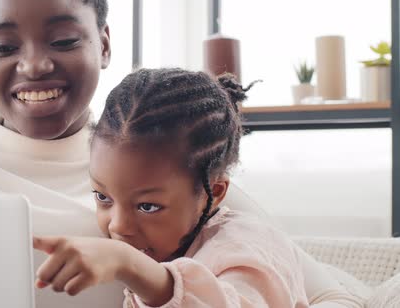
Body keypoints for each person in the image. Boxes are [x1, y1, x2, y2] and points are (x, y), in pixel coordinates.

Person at [0, 0, 362, 307]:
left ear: (105, 43)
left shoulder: (167, 164)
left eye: (64, 39)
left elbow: (323, 294)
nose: (33, 65)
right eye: (3, 46)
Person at [33, 69, 309, 307]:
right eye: (103, 197)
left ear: (213, 194)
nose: (118, 227)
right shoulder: (166, 247)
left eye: (148, 206)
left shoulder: (247, 246)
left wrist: (128, 262)